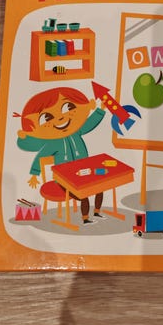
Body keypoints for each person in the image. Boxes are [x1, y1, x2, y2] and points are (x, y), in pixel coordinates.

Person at [16, 87, 106, 223]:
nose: (60, 117)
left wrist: (100, 111)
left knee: (100, 187)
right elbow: (40, 157)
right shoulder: (53, 143)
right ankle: (86, 219)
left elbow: (89, 124)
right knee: (84, 193)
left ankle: (97, 212)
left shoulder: (76, 132)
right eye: (47, 117)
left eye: (68, 107)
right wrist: (35, 174)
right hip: (64, 180)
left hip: (83, 174)